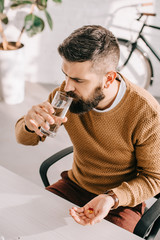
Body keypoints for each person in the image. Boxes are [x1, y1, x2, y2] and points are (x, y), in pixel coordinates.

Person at [15, 25, 160, 233]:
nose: (67, 87)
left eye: (78, 80)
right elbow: (25, 139)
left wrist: (112, 198)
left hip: (121, 201)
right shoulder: (66, 96)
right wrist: (29, 125)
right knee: (26, 226)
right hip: (74, 186)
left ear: (108, 78)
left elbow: (154, 178)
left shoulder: (145, 112)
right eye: (65, 75)